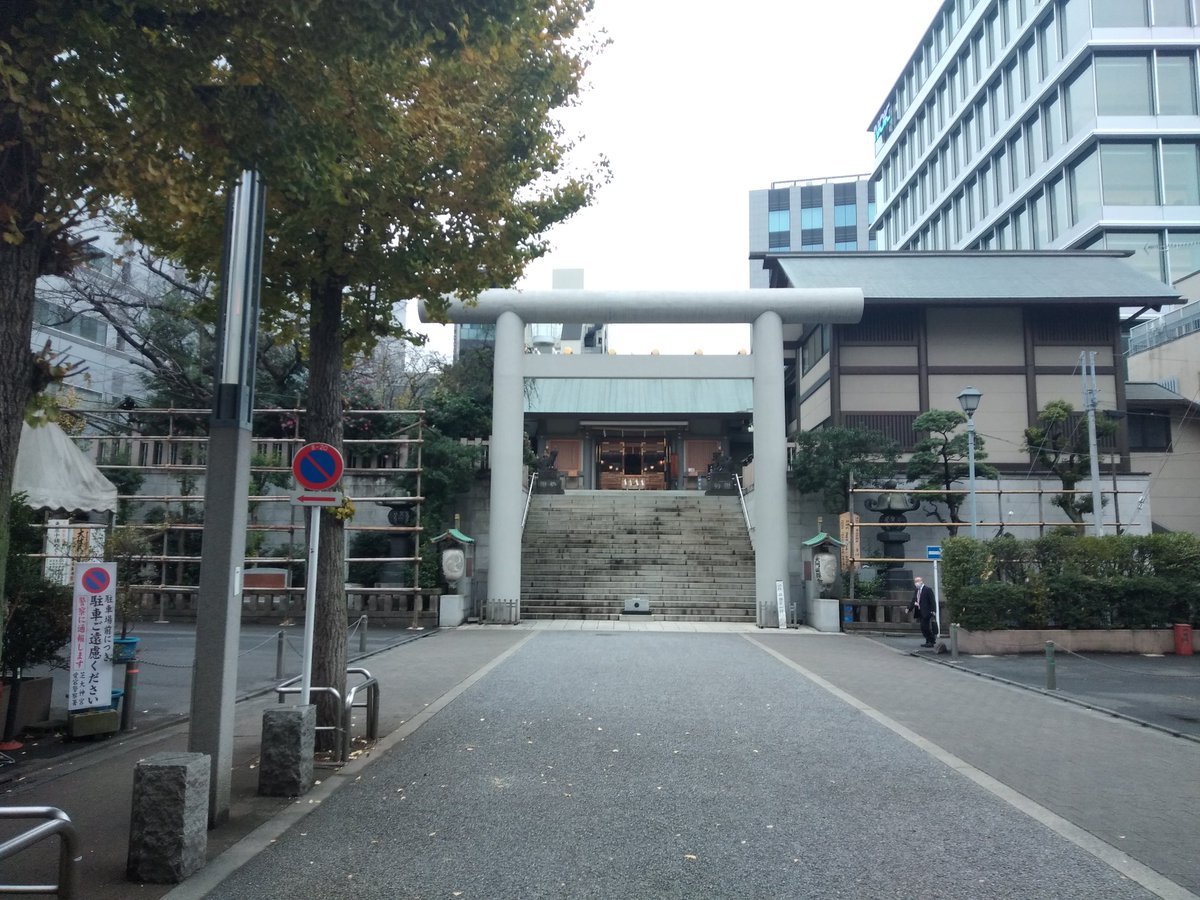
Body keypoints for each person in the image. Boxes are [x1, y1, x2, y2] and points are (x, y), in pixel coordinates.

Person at [911, 576, 938, 648]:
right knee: (923, 627)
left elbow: (932, 601)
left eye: (917, 581)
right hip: (920, 611)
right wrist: (909, 608)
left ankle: (931, 640)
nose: (916, 583)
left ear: (921, 581)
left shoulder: (927, 589)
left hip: (927, 611)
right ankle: (928, 640)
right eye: (915, 581)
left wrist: (933, 610)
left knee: (925, 627)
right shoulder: (917, 590)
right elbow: (914, 600)